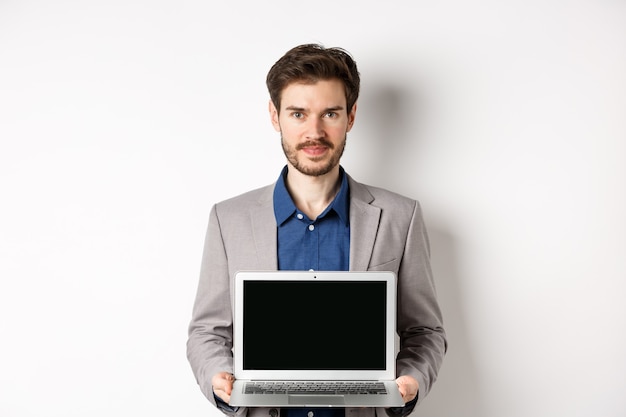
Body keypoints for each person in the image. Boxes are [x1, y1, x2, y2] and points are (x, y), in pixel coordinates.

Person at [187, 43, 447, 417]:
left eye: (330, 113)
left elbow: (425, 332)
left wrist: (410, 380)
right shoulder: (228, 219)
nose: (314, 131)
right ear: (275, 117)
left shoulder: (399, 216)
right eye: (298, 113)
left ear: (351, 116)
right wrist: (218, 376)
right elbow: (206, 332)